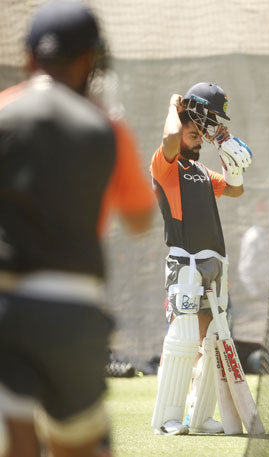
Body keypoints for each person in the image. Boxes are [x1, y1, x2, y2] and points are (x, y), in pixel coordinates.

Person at [0, 2, 155, 456]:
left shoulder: (3, 111)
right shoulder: (106, 126)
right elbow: (140, 218)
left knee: (16, 443)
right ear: (90, 59)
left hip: (5, 305)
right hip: (72, 310)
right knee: (80, 446)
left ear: (29, 59)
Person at [150, 82, 251, 435]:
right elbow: (168, 139)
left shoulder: (205, 174)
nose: (196, 138)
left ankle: (199, 415)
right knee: (183, 340)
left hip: (213, 264)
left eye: (198, 135)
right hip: (184, 262)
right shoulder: (166, 166)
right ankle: (167, 419)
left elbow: (236, 189)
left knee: (210, 344)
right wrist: (173, 107)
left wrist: (227, 149)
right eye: (191, 133)